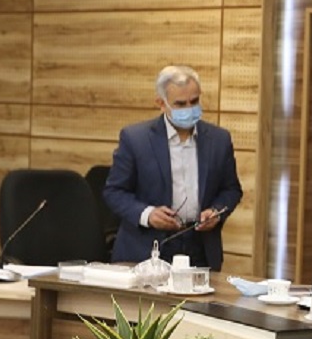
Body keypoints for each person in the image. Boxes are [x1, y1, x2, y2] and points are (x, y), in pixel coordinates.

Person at [103, 65, 243, 271]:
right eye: (180, 104)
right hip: (147, 247)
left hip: (199, 246)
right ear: (161, 103)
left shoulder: (219, 139)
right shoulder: (135, 139)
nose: (189, 108)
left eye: (194, 101)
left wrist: (216, 212)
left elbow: (231, 189)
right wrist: (148, 214)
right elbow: (114, 192)